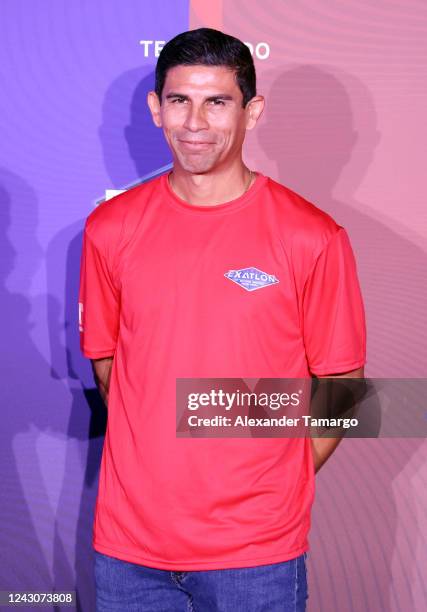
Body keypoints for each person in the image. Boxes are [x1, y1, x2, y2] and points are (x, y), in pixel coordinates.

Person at [78, 27, 366, 612]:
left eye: (217, 102)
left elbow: (342, 387)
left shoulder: (311, 236)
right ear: (156, 108)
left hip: (256, 555)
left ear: (252, 111)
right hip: (129, 551)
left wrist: (281, 473)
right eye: (179, 100)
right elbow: (109, 368)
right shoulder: (109, 229)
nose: (194, 123)